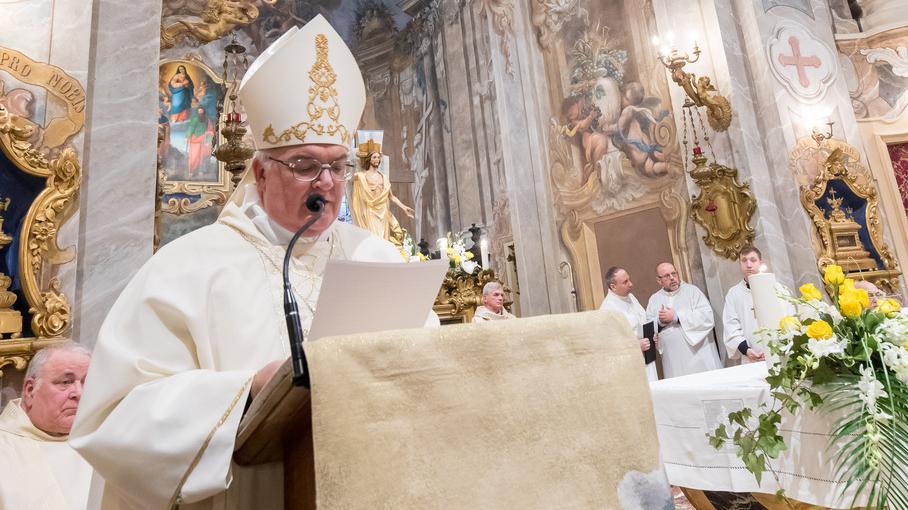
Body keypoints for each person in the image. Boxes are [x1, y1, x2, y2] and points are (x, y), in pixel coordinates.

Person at [70, 15, 428, 509]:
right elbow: (114, 419)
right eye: (305, 165)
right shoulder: (187, 268)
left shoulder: (378, 257)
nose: (326, 182)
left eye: (337, 165)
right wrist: (245, 393)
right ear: (260, 173)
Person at [0, 342, 93, 510]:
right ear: (30, 390)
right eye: (66, 382)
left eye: (86, 382)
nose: (79, 393)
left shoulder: (102, 444)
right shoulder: (5, 446)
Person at [645, 262, 722, 378]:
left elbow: (707, 317)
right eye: (666, 276)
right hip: (672, 359)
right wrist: (660, 322)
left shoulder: (692, 291)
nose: (672, 278)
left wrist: (677, 317)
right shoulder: (654, 299)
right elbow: (649, 326)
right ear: (659, 280)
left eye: (674, 273)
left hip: (698, 355)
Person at [599, 266, 658, 381]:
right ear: (613, 286)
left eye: (629, 279)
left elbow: (642, 321)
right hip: (630, 363)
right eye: (625, 282)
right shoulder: (607, 310)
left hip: (647, 357)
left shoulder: (631, 297)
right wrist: (635, 346)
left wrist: (652, 335)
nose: (631, 284)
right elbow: (608, 344)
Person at [350, 143, 415, 248]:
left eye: (378, 157)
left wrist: (404, 207)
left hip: (383, 211)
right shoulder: (361, 176)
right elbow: (349, 177)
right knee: (375, 238)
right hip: (370, 211)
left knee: (385, 238)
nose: (377, 159)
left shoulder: (383, 177)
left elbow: (391, 196)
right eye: (374, 157)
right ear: (369, 159)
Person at [722, 246, 769, 364]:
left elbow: (788, 320)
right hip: (751, 358)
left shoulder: (776, 288)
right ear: (740, 263)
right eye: (744, 260)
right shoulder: (733, 294)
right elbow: (731, 327)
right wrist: (746, 350)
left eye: (753, 260)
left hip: (778, 354)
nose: (748, 265)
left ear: (760, 262)